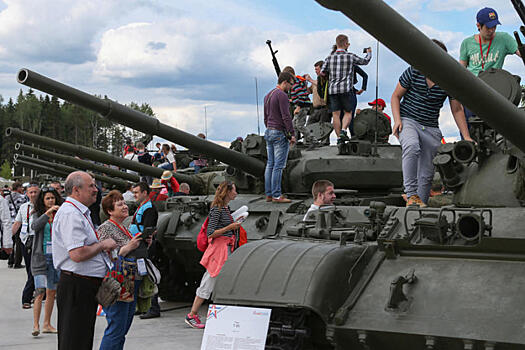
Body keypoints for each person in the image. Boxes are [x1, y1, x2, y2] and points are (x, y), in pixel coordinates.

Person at [391, 39, 473, 207]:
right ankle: (411, 194)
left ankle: (420, 207)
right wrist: (397, 119)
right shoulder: (414, 71)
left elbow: (457, 110)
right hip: (409, 120)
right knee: (412, 146)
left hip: (430, 127)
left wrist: (466, 136)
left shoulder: (448, 80)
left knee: (428, 173)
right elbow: (395, 96)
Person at [52, 171, 117, 350]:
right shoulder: (71, 214)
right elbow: (78, 254)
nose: (95, 190)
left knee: (80, 339)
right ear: (76, 190)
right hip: (77, 286)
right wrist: (102, 245)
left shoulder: (78, 212)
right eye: (91, 186)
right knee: (74, 341)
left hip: (82, 286)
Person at [185, 181, 241, 329]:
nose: (236, 193)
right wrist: (230, 226)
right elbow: (211, 233)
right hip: (219, 249)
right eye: (234, 190)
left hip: (225, 247)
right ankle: (192, 314)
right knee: (209, 280)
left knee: (219, 280)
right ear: (228, 192)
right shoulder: (217, 209)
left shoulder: (225, 208)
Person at [98, 190, 144, 350]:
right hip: (116, 283)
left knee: (122, 329)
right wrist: (126, 248)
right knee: (116, 328)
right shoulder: (105, 228)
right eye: (120, 204)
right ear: (110, 211)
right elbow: (104, 256)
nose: (125, 206)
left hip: (129, 281)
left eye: (124, 203)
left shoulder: (123, 227)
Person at [459, 7, 521, 123]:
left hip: (495, 91)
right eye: (488, 27)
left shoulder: (504, 39)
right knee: (472, 126)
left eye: (494, 27)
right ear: (478, 25)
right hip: (472, 91)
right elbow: (460, 69)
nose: (492, 30)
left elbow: (521, 53)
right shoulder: (467, 43)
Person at [321, 34, 372, 144]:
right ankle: (344, 130)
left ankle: (339, 138)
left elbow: (322, 72)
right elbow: (365, 61)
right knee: (348, 113)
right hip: (346, 89)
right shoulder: (350, 56)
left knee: (336, 115)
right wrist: (369, 52)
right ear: (345, 44)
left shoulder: (329, 58)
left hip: (333, 90)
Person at [30, 186, 63, 336]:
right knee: (39, 291)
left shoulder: (60, 214)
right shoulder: (38, 214)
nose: (51, 201)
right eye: (48, 198)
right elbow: (35, 227)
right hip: (40, 258)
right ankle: (36, 325)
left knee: (51, 291)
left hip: (55, 258)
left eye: (53, 198)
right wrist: (47, 213)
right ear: (43, 201)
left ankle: (47, 323)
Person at [264, 71, 296, 203]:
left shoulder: (268, 95)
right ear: (285, 82)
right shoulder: (282, 95)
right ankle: (277, 195)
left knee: (270, 164)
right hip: (279, 133)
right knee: (279, 166)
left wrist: (269, 127)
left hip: (269, 131)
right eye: (291, 84)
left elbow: (266, 116)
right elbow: (286, 116)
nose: (291, 88)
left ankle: (269, 194)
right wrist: (292, 134)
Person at [129, 182, 160, 320]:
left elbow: (148, 228)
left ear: (145, 193)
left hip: (144, 246)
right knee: (140, 277)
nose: (134, 195)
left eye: (136, 192)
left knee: (149, 277)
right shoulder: (142, 207)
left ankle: (153, 307)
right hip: (138, 245)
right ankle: (143, 307)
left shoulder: (149, 208)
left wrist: (143, 240)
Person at [12, 183, 40, 309]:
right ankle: (33, 294)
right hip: (26, 241)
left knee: (34, 271)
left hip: (39, 241)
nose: (33, 194)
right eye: (30, 192)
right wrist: (8, 239)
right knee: (30, 270)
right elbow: (17, 223)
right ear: (26, 194)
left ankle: (27, 297)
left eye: (35, 192)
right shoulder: (24, 207)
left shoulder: (43, 206)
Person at [283, 66, 315, 145]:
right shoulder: (296, 82)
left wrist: (298, 107)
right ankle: (295, 141)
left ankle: (312, 140)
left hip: (302, 106)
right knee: (294, 124)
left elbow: (301, 96)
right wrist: (292, 100)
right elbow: (299, 95)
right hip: (300, 105)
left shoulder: (296, 83)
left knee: (300, 125)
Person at [5, 182, 27, 268]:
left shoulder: (7, 197)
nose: (22, 189)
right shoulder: (22, 198)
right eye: (21, 187)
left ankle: (10, 261)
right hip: (18, 222)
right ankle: (17, 262)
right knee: (19, 243)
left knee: (11, 241)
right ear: (17, 188)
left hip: (9, 221)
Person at [306, 61, 331, 128]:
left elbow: (320, 85)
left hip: (324, 109)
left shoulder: (327, 80)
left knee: (323, 130)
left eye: (317, 69)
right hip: (314, 110)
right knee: (308, 128)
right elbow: (308, 92)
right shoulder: (314, 83)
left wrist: (310, 80)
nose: (315, 71)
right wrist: (304, 84)